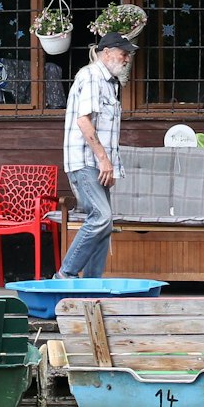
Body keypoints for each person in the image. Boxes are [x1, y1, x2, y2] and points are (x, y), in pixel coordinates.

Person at [55, 32, 134, 279]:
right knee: (101, 217)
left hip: (98, 165)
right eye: (123, 53)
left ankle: (92, 283)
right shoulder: (90, 76)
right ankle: (65, 274)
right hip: (86, 161)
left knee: (104, 225)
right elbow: (83, 121)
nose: (127, 59)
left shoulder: (110, 83)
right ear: (107, 52)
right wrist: (104, 159)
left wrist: (108, 164)